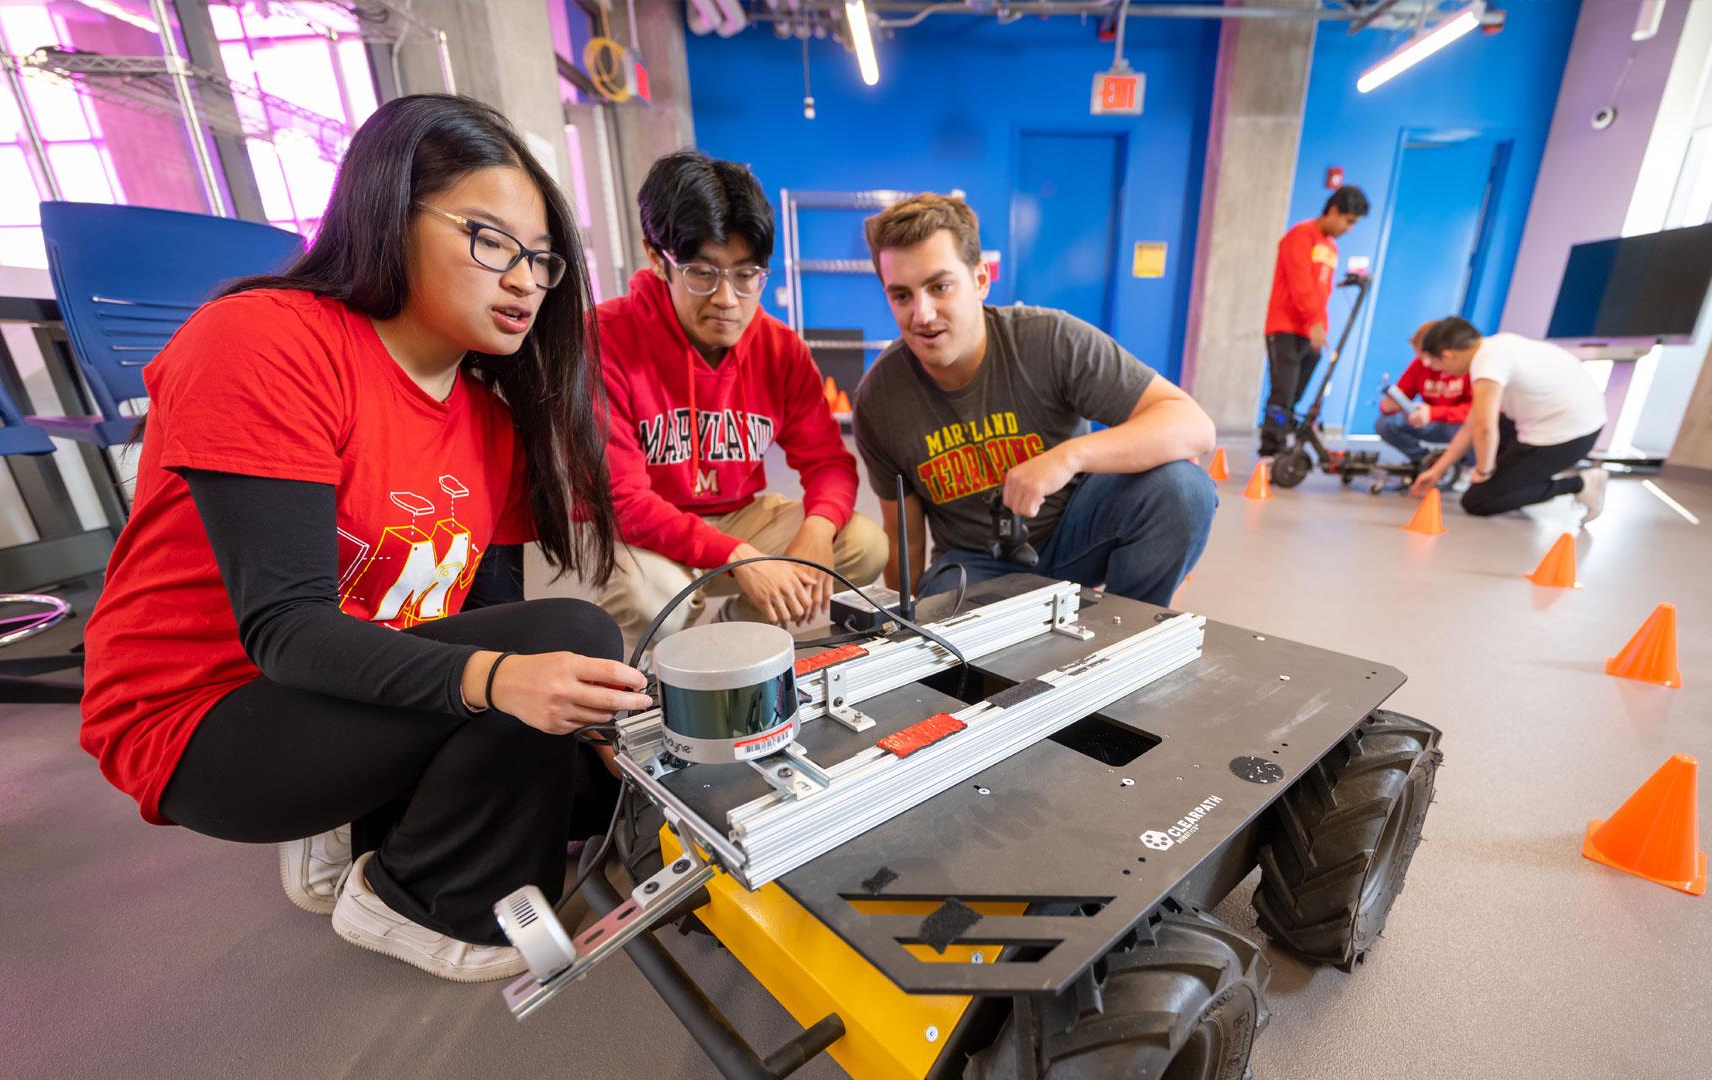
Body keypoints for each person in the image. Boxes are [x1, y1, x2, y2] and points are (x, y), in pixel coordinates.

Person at [77, 95, 649, 984]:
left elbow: (493, 617)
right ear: (389, 210)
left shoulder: (489, 421)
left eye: (541, 261)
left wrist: (579, 720)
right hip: (207, 715)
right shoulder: (264, 341)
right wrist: (508, 677)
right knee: (572, 637)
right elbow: (287, 630)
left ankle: (355, 821)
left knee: (598, 770)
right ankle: (414, 898)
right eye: (490, 241)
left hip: (354, 692)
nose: (526, 281)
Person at [529, 150, 886, 648]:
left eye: (746, 275)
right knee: (650, 599)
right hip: (643, 529)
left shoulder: (780, 348)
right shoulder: (602, 338)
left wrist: (819, 530)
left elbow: (828, 461)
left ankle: (730, 637)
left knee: (862, 544)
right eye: (703, 272)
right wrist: (738, 557)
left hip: (739, 514)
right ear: (657, 258)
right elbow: (622, 500)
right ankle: (666, 666)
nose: (726, 299)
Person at [852, 193, 1217, 606]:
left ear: (980, 280)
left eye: (940, 286)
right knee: (942, 622)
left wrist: (1067, 457)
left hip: (1076, 536)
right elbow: (905, 540)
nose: (922, 314)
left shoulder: (1049, 340)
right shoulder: (879, 399)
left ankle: (1128, 633)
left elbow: (1193, 425)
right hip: (977, 567)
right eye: (902, 295)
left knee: (1182, 490)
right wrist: (908, 631)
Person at [1408, 316, 1610, 521]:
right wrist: (1437, 470)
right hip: (1574, 422)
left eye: (1437, 365)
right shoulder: (1497, 346)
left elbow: (1484, 428)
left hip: (1568, 436)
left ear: (1448, 355)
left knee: (1478, 500)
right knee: (1496, 435)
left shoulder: (1487, 363)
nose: (1441, 371)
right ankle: (1526, 477)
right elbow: (1472, 423)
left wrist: (1483, 471)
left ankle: (1581, 484)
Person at [1260, 185, 1368, 457]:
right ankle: (1271, 447)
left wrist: (1320, 328)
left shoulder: (1331, 247)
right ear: (1333, 211)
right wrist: (1314, 323)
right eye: (1349, 221)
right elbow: (1300, 285)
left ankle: (1284, 437)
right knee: (1282, 392)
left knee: (1295, 394)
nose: (1350, 229)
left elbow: (1323, 292)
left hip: (1312, 331)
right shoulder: (1300, 235)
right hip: (1285, 327)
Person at [1375, 319, 1473, 466]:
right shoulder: (1419, 365)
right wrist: (1388, 405)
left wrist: (1434, 413)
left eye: (1426, 356)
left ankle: (1464, 466)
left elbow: (1476, 412)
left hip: (1457, 424)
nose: (1425, 363)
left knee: (1473, 430)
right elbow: (1402, 393)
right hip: (1429, 422)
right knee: (1386, 424)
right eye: (1420, 357)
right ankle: (1428, 462)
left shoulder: (1467, 367)